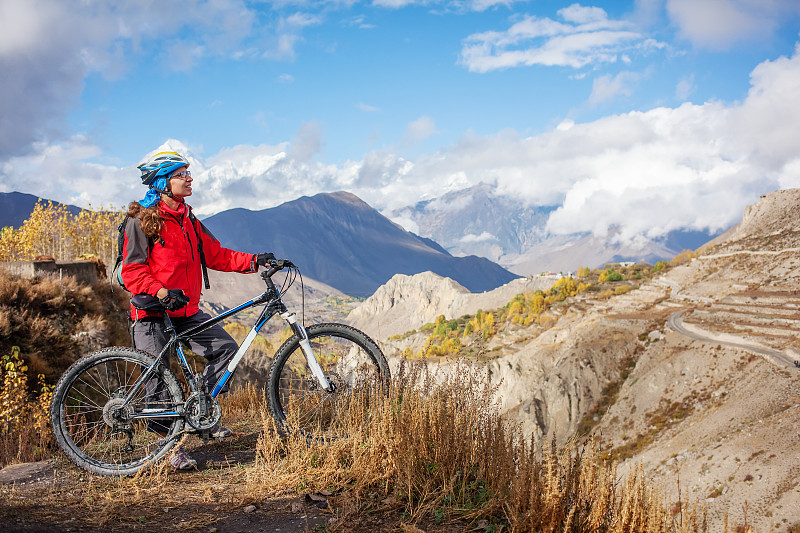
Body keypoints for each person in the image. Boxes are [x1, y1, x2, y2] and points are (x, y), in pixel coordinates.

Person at [121, 150, 273, 470]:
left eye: (189, 173)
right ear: (163, 182)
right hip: (152, 312)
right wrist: (161, 290)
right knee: (162, 378)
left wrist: (255, 261)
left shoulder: (189, 219)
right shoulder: (142, 220)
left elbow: (216, 255)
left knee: (226, 350)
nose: (189, 178)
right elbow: (132, 271)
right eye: (181, 174)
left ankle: (199, 413)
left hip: (185, 310)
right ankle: (167, 448)